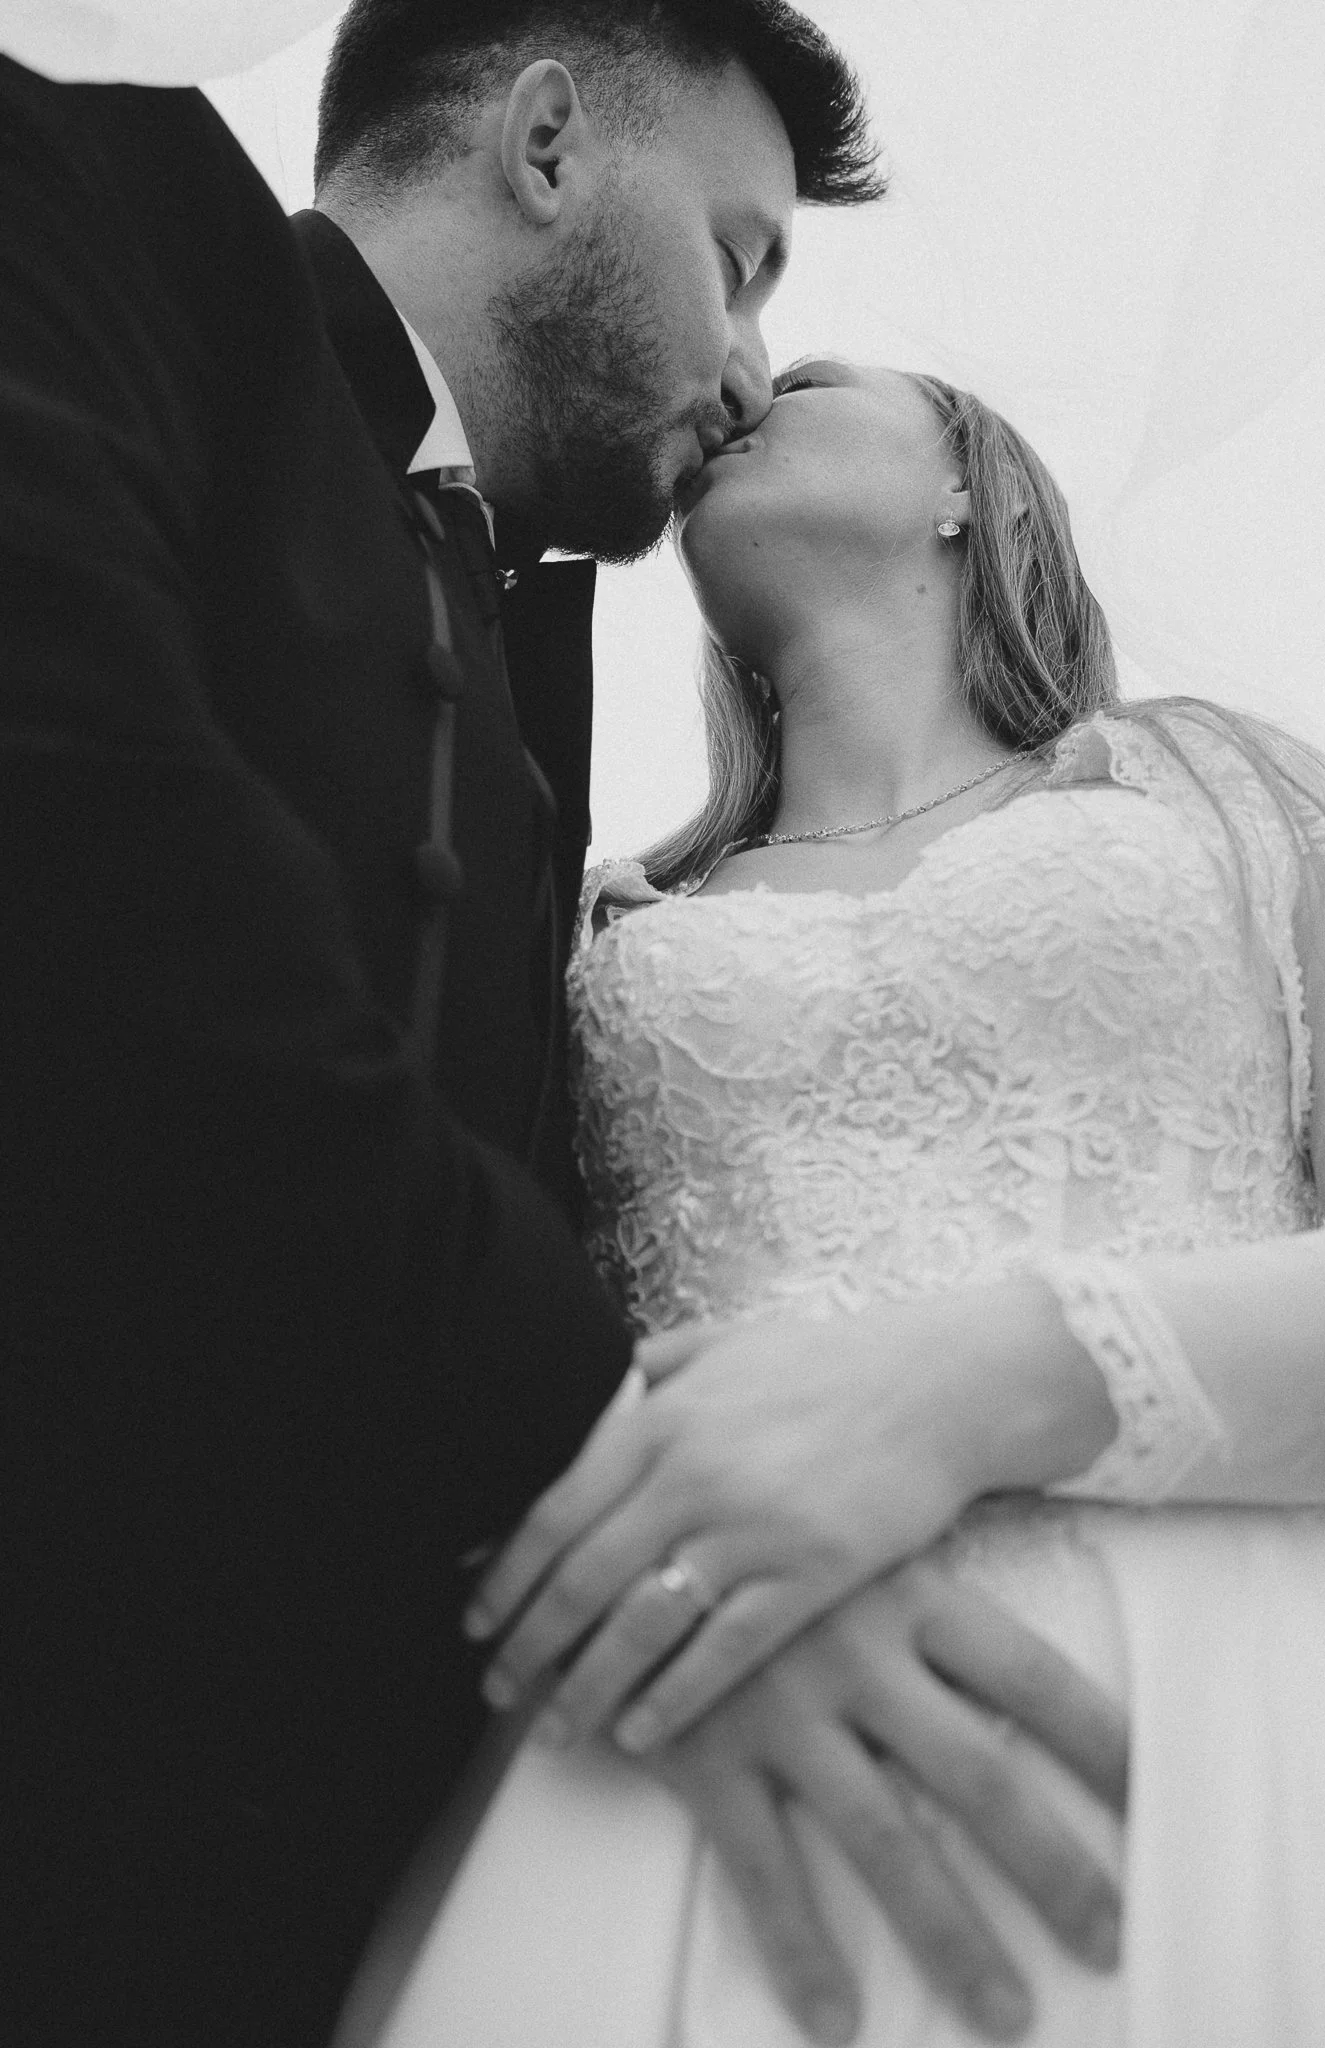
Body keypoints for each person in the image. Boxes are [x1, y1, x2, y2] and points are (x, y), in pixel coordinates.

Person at [0, 8, 1129, 2043]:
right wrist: (623, 1477)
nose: (753, 367)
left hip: (373, 1870)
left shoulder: (545, 693)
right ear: (544, 144)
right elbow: (86, 827)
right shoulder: (89, 211)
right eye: (744, 255)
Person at [356, 360, 1325, 2047]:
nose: (748, 373)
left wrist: (1010, 1370)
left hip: (1235, 1709)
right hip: (726, 1730)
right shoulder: (604, 915)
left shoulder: (1212, 795)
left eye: (820, 377)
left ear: (967, 486)